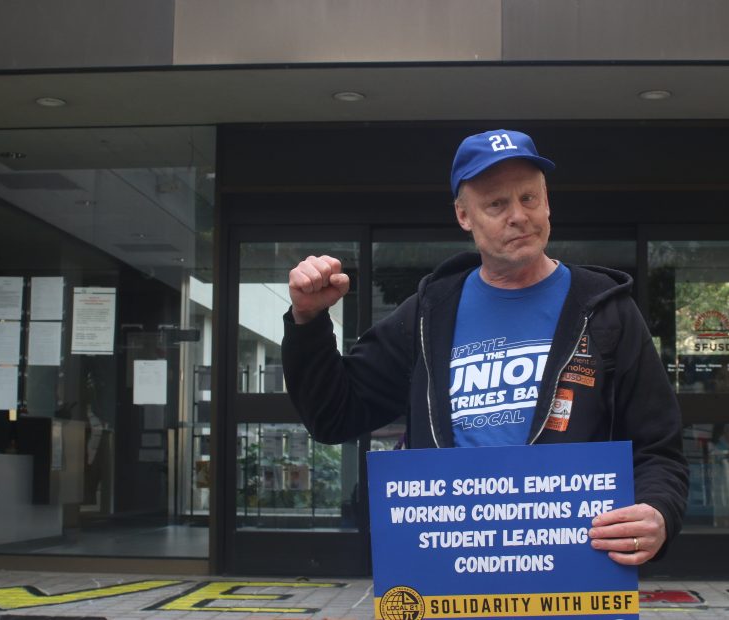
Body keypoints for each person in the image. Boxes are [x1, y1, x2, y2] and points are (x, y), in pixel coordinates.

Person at [282, 129, 689, 564]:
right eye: (496, 204)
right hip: (453, 578)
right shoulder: (428, 314)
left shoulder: (607, 312)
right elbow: (333, 415)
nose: (518, 215)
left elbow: (659, 450)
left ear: (547, 202)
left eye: (529, 198)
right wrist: (308, 320)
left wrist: (658, 512)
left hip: (573, 576)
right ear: (463, 215)